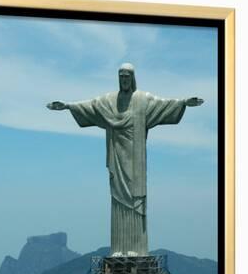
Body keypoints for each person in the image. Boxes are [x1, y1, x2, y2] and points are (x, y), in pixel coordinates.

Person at [47, 63, 203, 256]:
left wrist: (183, 102)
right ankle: (119, 249)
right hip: (117, 159)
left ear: (133, 78)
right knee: (118, 200)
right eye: (121, 76)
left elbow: (163, 104)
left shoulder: (142, 100)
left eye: (127, 76)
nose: (124, 80)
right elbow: (91, 106)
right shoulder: (110, 101)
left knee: (135, 199)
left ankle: (136, 248)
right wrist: (68, 106)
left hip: (136, 162)